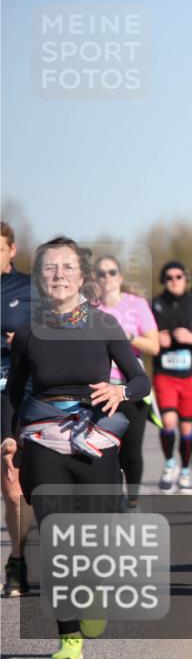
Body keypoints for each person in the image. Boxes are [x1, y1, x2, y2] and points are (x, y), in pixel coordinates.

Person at [8, 236, 150, 659]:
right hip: (43, 441)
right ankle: (69, 640)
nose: (59, 274)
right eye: (50, 267)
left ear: (83, 275)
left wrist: (120, 391)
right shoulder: (28, 333)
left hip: (95, 438)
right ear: (40, 277)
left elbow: (140, 380)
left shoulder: (104, 324)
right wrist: (12, 438)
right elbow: (14, 395)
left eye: (67, 266)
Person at [95, 254, 160, 510]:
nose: (107, 277)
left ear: (120, 277)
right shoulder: (90, 308)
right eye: (101, 273)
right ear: (95, 279)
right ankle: (112, 501)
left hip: (132, 386)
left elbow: (154, 346)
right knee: (107, 451)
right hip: (101, 388)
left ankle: (132, 500)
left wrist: (127, 336)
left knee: (132, 451)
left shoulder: (137, 304)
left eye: (112, 272)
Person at [152, 262, 192, 494]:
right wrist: (156, 339)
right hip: (165, 373)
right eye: (169, 277)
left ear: (185, 279)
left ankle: (184, 471)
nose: (174, 280)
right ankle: (169, 463)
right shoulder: (154, 304)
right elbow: (144, 333)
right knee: (168, 422)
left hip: (190, 373)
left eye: (179, 276)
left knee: (186, 427)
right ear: (163, 281)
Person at [1, 221, 32, 597]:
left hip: (13, 392)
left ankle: (17, 559)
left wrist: (25, 339)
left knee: (13, 488)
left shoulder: (29, 289)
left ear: (12, 250)